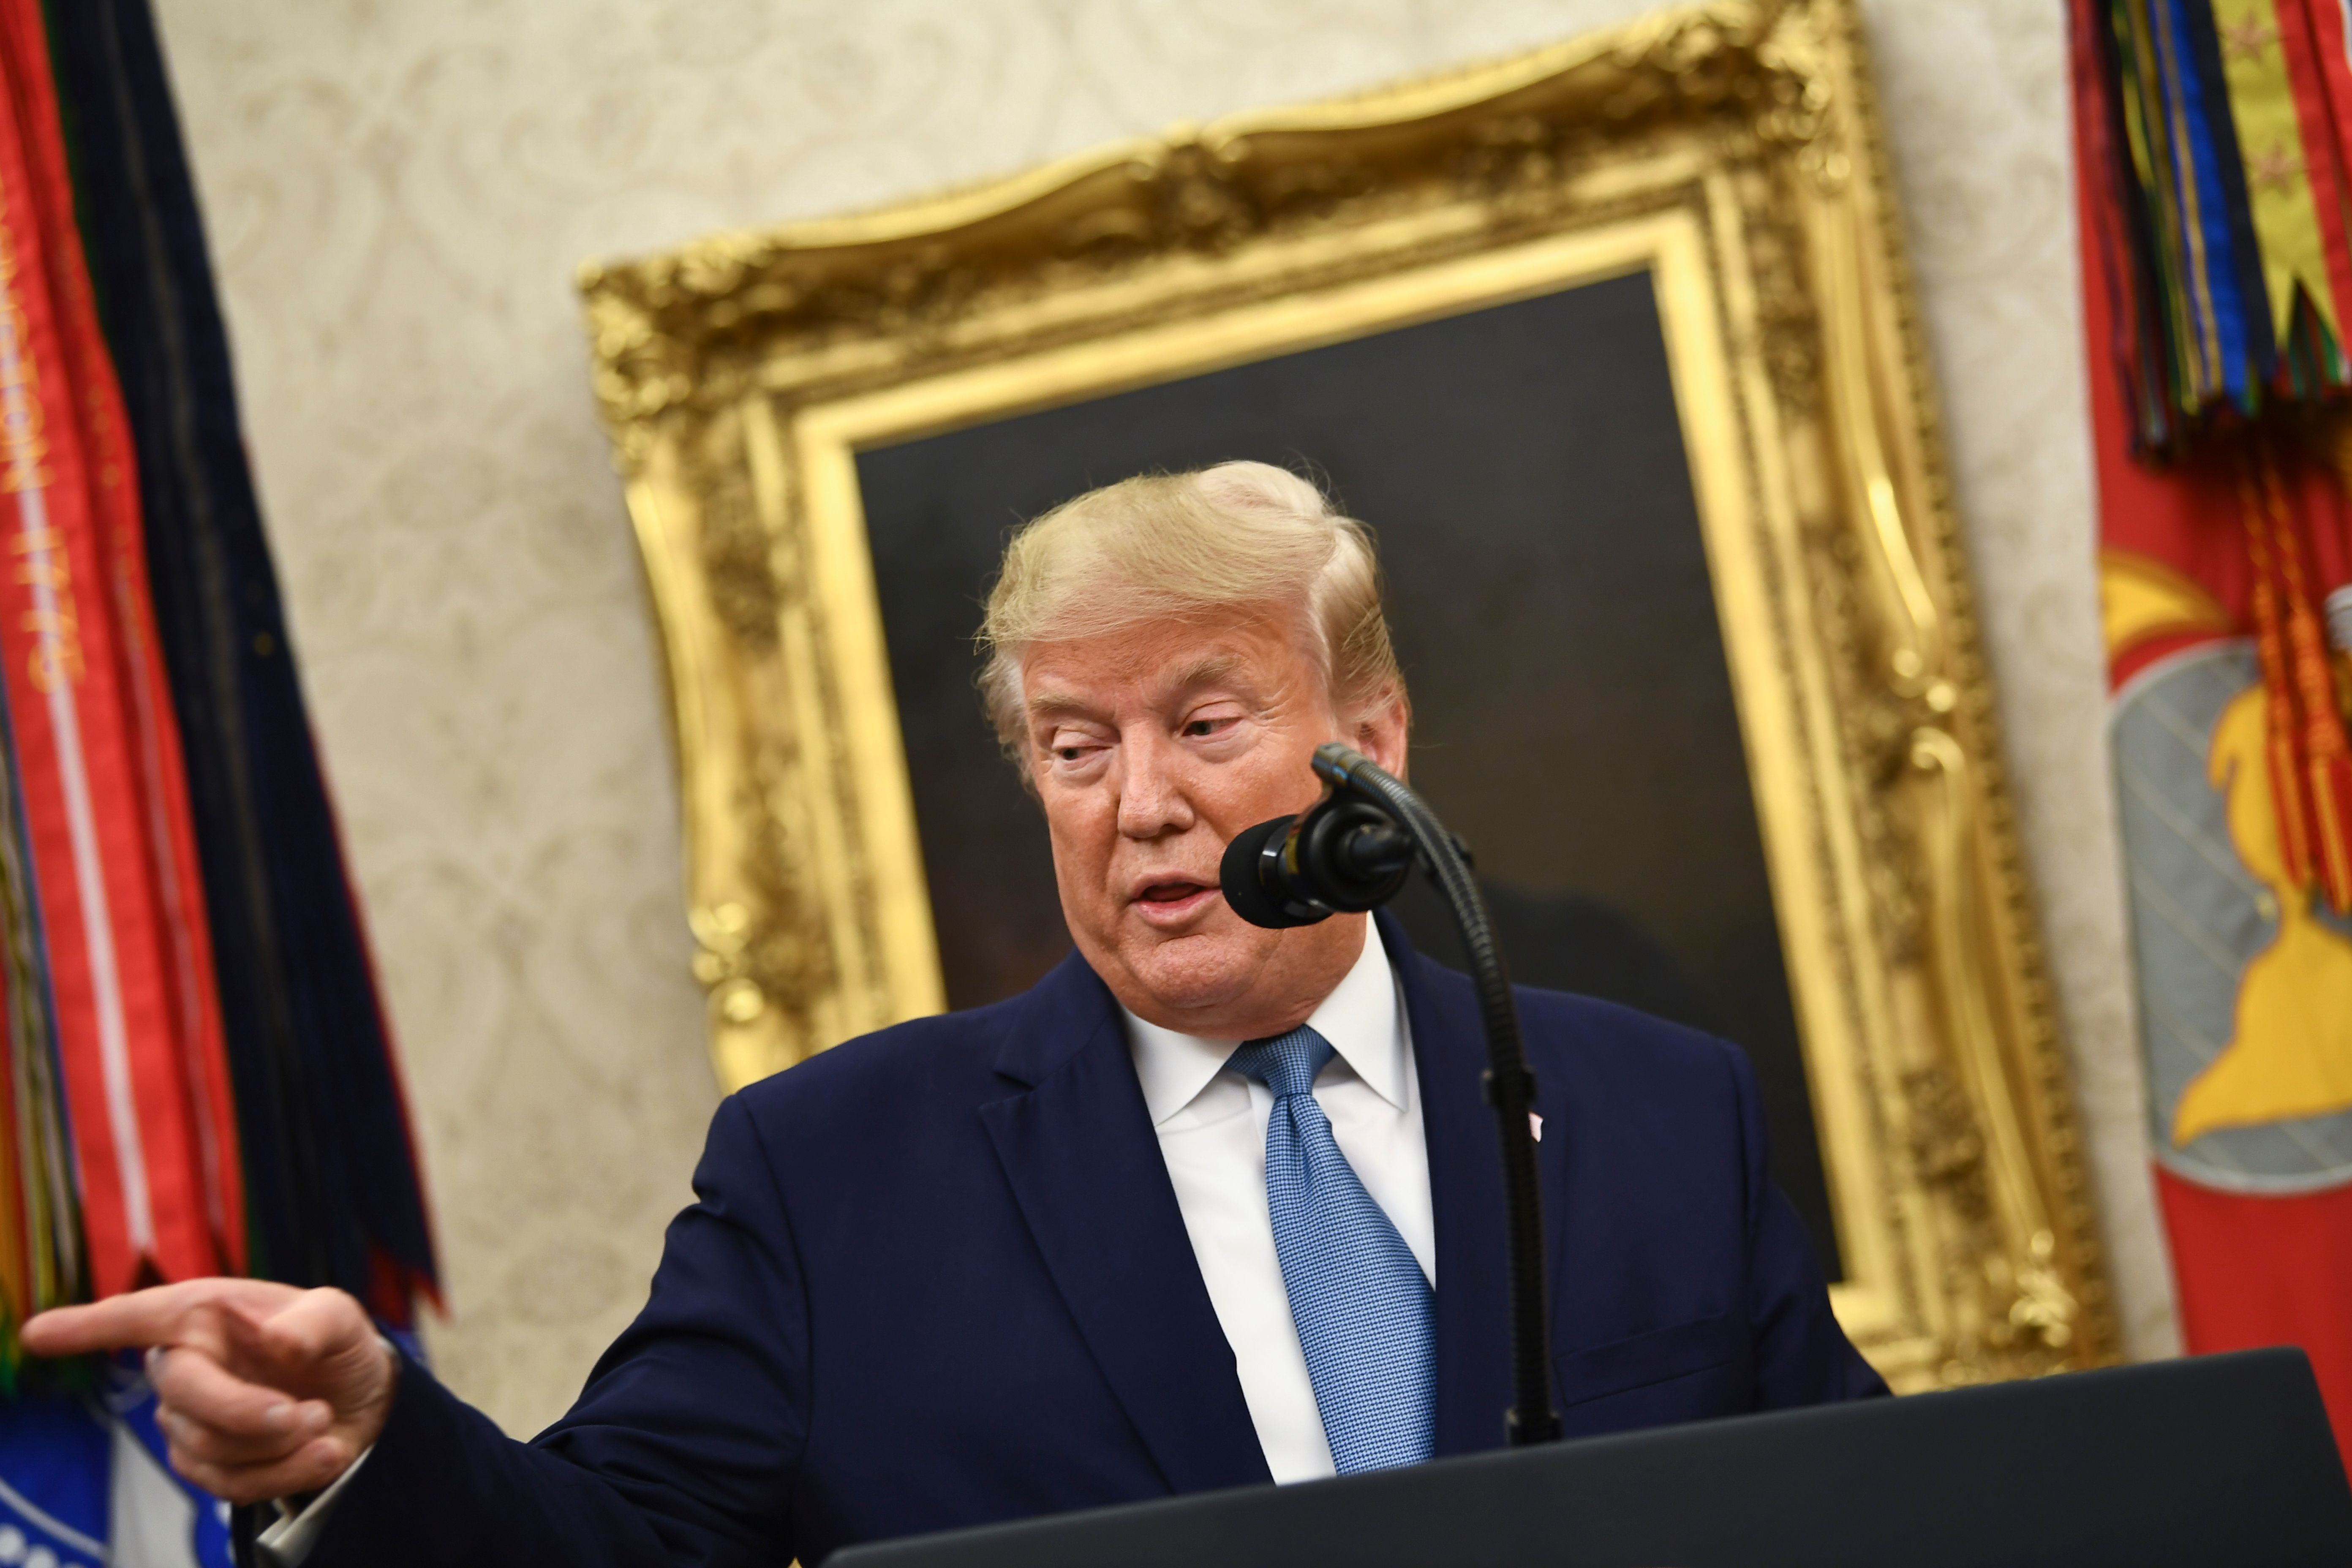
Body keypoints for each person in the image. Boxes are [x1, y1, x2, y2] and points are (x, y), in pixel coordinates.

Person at [24, 462, 1885, 1565]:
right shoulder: (839, 1173)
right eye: (1075, 747)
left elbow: (1863, 1514)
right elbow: (611, 1550)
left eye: (1204, 723)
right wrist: (364, 1450)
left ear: (1370, 746)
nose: (1137, 800)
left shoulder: (1654, 1106)